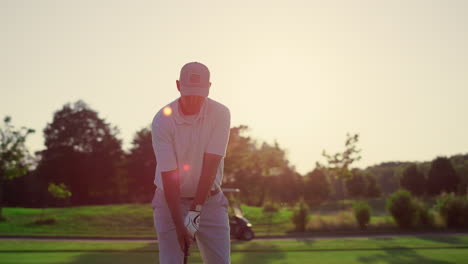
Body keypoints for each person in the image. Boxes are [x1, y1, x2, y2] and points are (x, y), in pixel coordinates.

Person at [151, 62, 231, 264]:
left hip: (210, 202)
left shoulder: (220, 113)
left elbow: (210, 167)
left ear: (210, 87)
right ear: (178, 86)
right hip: (170, 203)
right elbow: (169, 177)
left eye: (200, 94)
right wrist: (180, 227)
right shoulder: (162, 119)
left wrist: (193, 217)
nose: (194, 100)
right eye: (189, 93)